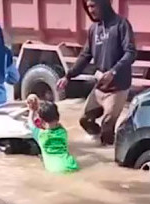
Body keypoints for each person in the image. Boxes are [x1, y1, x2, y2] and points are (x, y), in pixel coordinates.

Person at [56, 0, 136, 146]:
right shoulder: (94, 29)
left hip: (118, 87)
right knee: (84, 120)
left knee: (107, 124)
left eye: (93, 6)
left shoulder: (121, 24)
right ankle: (99, 144)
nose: (90, 10)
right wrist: (68, 76)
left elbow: (131, 53)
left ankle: (112, 156)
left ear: (103, 4)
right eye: (88, 7)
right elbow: (85, 55)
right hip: (100, 87)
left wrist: (114, 71)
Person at [26, 98, 79, 174]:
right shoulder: (63, 132)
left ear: (40, 120)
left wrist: (32, 110)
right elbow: (56, 123)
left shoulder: (40, 135)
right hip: (71, 165)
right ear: (58, 117)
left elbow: (30, 123)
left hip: (55, 170)